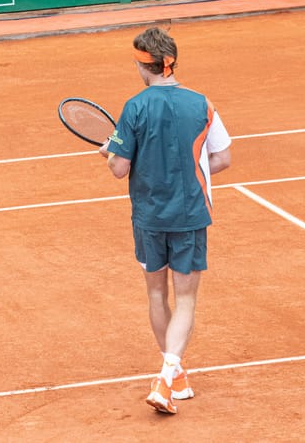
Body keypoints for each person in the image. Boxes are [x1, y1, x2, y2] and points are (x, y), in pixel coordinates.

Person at [99, 27, 231, 414]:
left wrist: (110, 152)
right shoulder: (202, 103)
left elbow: (119, 169)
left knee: (158, 294)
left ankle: (166, 374)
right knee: (187, 298)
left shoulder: (135, 107)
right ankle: (175, 375)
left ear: (145, 65)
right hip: (191, 215)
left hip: (150, 217)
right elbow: (221, 159)